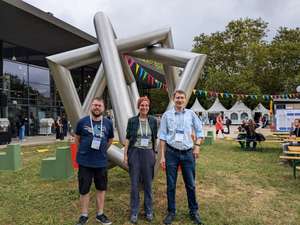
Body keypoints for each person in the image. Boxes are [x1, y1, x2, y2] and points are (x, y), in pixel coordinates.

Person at [159, 90, 204, 225]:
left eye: (182, 98)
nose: (179, 100)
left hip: (187, 153)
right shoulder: (166, 116)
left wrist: (197, 146)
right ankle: (171, 211)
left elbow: (200, 131)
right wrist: (162, 156)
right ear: (173, 99)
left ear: (185, 100)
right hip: (171, 153)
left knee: (190, 184)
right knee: (171, 185)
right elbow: (162, 136)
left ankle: (193, 211)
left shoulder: (191, 114)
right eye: (177, 98)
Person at [74, 97, 114, 225]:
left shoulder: (108, 123)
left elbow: (110, 140)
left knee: (101, 188)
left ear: (103, 108)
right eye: (95, 105)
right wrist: (84, 151)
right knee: (84, 189)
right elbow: (77, 139)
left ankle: (100, 214)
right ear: (91, 107)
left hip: (101, 162)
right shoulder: (82, 122)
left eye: (99, 106)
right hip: (85, 162)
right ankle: (84, 215)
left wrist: (102, 150)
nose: (97, 107)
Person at [123, 96, 158, 224]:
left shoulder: (153, 121)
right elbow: (127, 138)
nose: (144, 107)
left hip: (148, 152)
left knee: (148, 183)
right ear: (139, 106)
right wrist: (126, 155)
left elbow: (155, 138)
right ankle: (134, 211)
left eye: (146, 105)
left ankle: (148, 210)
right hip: (135, 152)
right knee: (134, 184)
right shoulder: (132, 121)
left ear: (149, 107)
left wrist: (155, 152)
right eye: (142, 105)